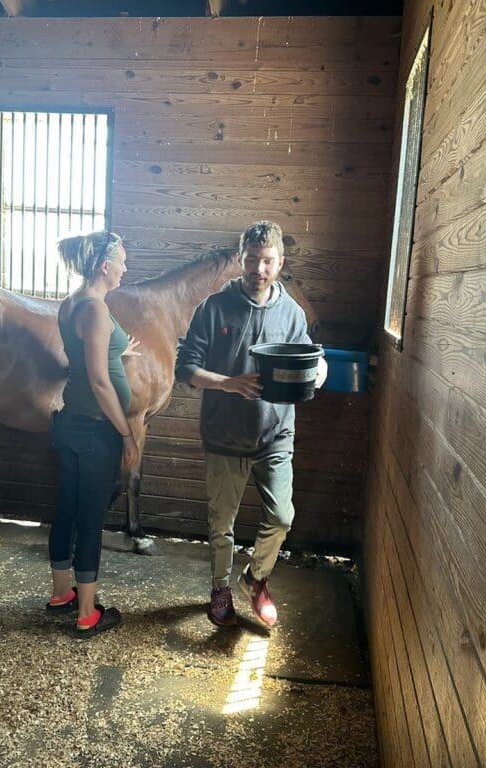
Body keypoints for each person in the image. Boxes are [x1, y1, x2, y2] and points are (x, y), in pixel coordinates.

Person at [175, 221, 326, 628]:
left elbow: (309, 357)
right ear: (240, 259)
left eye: (268, 261)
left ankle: (255, 579)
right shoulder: (213, 308)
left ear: (281, 262)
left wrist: (321, 369)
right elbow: (185, 368)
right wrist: (228, 383)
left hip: (275, 434)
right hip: (224, 435)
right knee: (221, 525)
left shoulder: (291, 313)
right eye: (252, 259)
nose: (260, 269)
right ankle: (220, 588)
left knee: (281, 517)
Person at [47, 231, 140, 638]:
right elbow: (100, 382)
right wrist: (127, 434)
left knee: (68, 508)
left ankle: (61, 594)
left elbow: (87, 355)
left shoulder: (72, 302)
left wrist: (118, 350)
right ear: (105, 266)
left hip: (70, 423)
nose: (125, 268)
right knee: (90, 519)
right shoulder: (97, 310)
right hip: (96, 429)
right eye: (122, 261)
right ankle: (87, 613)